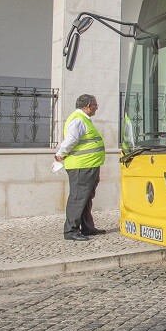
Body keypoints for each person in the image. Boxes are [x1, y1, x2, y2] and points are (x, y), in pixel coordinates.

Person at [55, 94, 107, 241]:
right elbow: (70, 140)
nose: (96, 108)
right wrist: (60, 155)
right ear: (88, 106)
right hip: (81, 167)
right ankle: (71, 231)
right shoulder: (78, 120)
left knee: (86, 198)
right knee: (78, 198)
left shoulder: (84, 119)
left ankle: (87, 227)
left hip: (89, 165)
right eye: (95, 105)